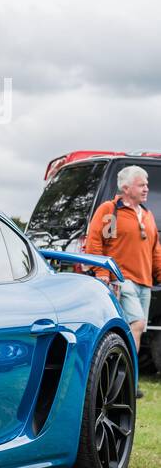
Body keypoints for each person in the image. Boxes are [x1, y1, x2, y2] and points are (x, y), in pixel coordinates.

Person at [84, 164, 161, 396]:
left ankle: (119, 379)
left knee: (134, 330)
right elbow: (96, 242)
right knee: (136, 325)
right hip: (121, 279)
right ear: (126, 188)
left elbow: (155, 249)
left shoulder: (147, 215)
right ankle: (128, 381)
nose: (147, 188)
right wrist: (102, 273)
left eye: (147, 184)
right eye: (142, 184)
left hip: (144, 283)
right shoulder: (110, 210)